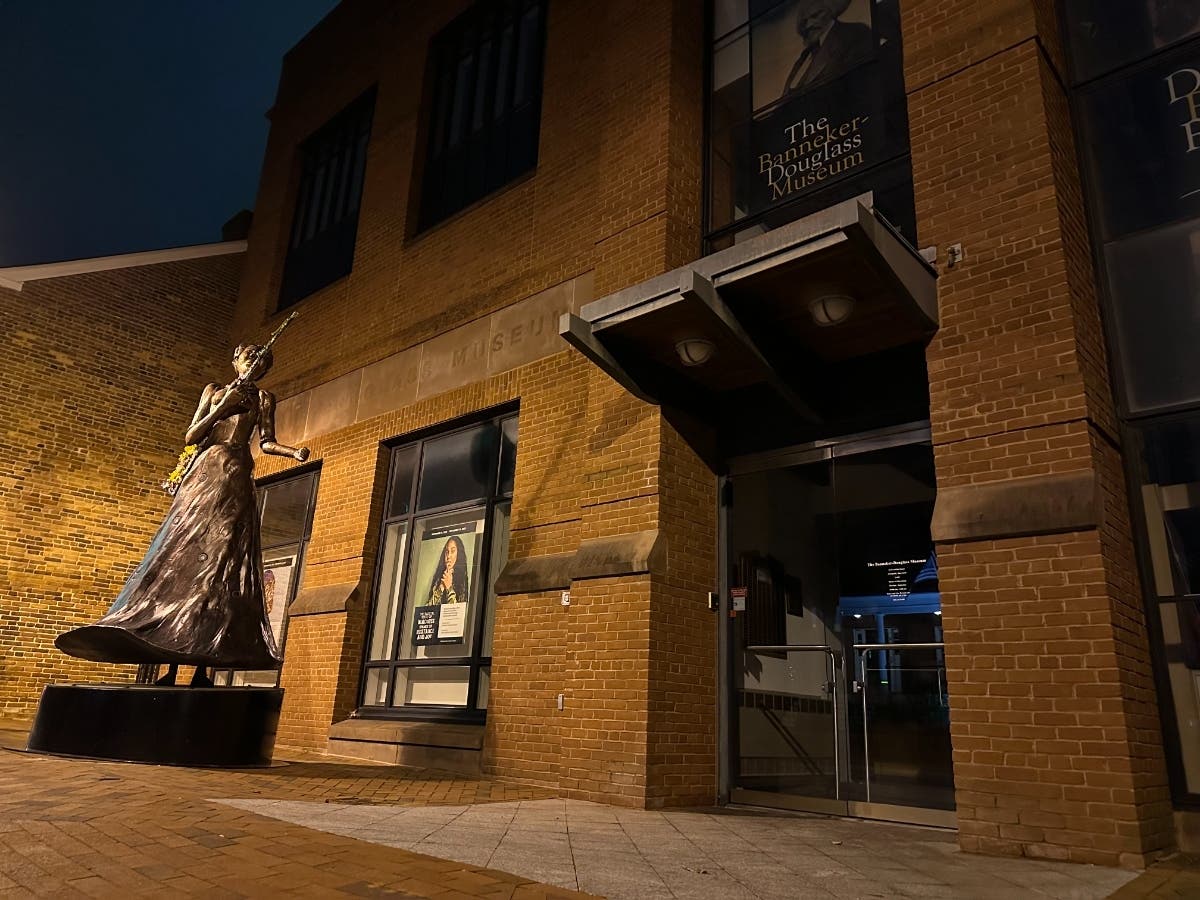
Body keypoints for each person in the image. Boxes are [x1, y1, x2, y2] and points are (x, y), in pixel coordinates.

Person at [56, 342, 309, 686]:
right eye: (251, 357)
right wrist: (222, 408)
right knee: (185, 558)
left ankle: (204, 666)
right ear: (235, 359)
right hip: (207, 472)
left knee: (221, 565)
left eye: (262, 361)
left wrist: (292, 452)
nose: (255, 363)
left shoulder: (264, 398)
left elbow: (265, 440)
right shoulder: (215, 391)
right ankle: (169, 664)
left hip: (237, 475)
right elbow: (192, 435)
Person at [778, 0, 873, 102]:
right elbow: (784, 100)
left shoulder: (854, 33)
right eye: (804, 22)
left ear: (830, 10)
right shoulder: (804, 57)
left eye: (815, 16)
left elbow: (863, 83)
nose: (809, 25)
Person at [425, 535, 469, 605]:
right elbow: (428, 610)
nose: (448, 556)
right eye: (447, 552)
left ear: (459, 554)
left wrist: (449, 587)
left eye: (453, 551)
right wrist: (441, 587)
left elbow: (457, 612)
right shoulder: (438, 578)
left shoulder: (462, 579)